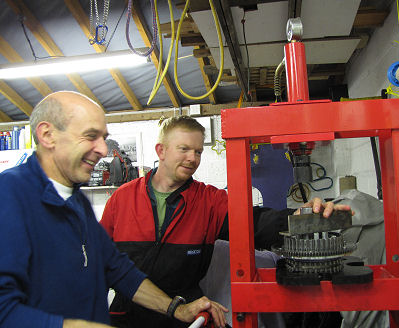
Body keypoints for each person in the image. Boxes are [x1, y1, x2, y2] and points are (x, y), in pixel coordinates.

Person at [0, 92, 227, 328]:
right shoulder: (9, 196)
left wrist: (175, 309)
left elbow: (116, 269)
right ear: (48, 135)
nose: (102, 148)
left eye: (103, 138)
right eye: (91, 136)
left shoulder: (78, 203)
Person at [100, 115, 352, 328]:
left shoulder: (208, 200)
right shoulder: (122, 199)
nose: (192, 158)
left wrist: (300, 218)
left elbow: (254, 221)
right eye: (184, 149)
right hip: (127, 317)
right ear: (161, 151)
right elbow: (100, 263)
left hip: (187, 314)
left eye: (198, 151)